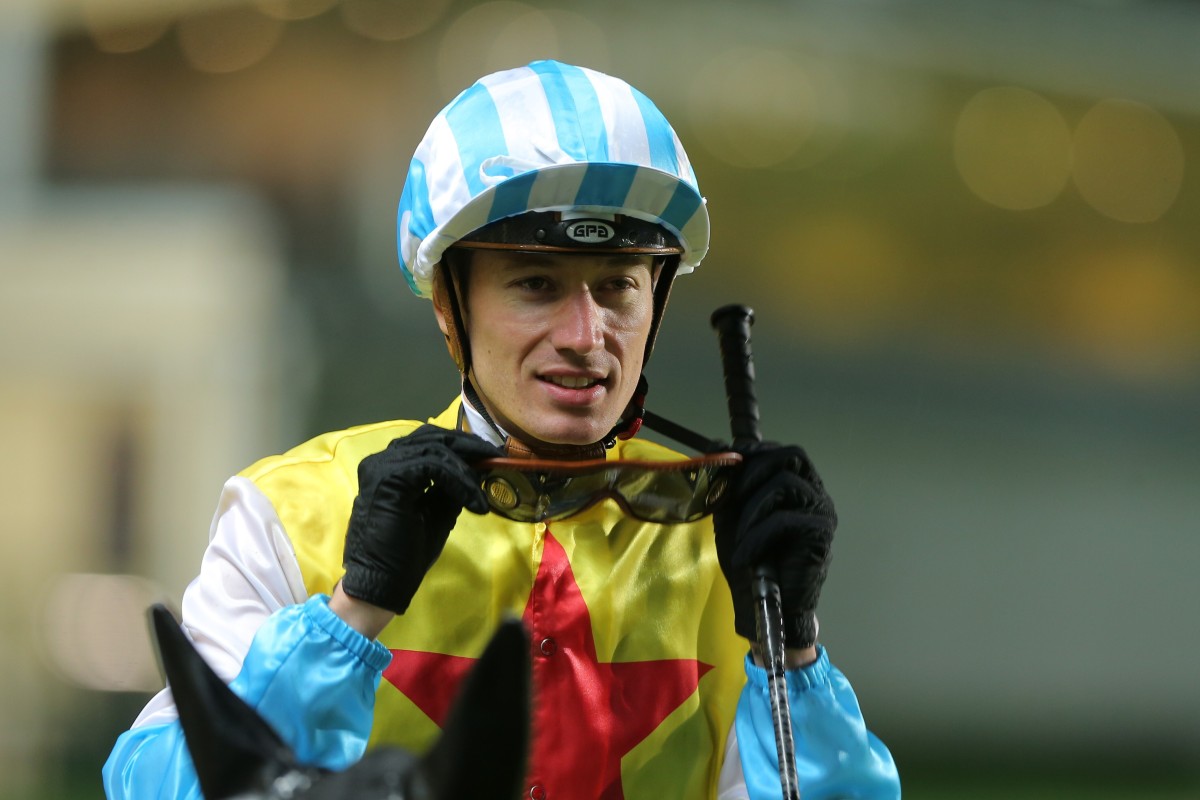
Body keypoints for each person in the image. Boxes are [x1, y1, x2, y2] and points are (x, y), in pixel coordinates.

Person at [103, 60, 899, 799]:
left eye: (618, 285)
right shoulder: (287, 509)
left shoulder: (725, 542)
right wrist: (353, 609)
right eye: (536, 283)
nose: (586, 334)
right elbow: (164, 787)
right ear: (450, 306)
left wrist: (791, 654)